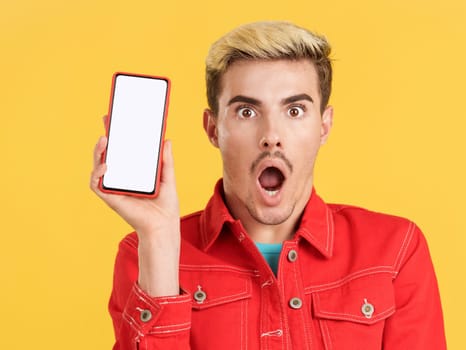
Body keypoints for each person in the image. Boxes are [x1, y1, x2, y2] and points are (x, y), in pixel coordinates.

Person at [91, 21, 446, 350]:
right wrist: (158, 239)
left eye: (294, 111)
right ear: (213, 129)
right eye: (247, 111)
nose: (271, 137)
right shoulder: (143, 255)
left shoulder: (395, 250)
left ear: (324, 125)